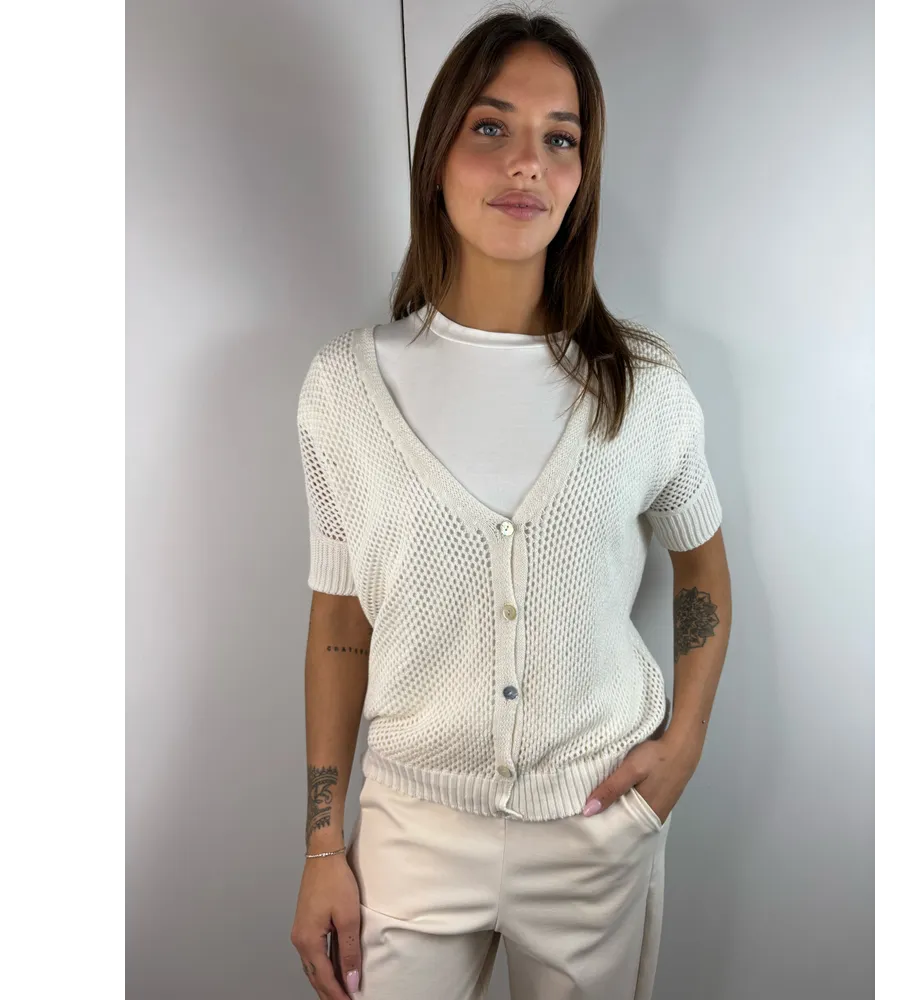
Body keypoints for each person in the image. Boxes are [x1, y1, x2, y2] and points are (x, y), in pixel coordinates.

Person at [290, 6, 732, 999]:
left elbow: (702, 564)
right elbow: (339, 616)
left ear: (582, 177)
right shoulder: (344, 388)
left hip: (595, 828)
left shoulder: (643, 387)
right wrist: (323, 842)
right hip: (409, 834)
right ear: (436, 157)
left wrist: (684, 747)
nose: (527, 162)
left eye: (559, 138)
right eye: (490, 126)